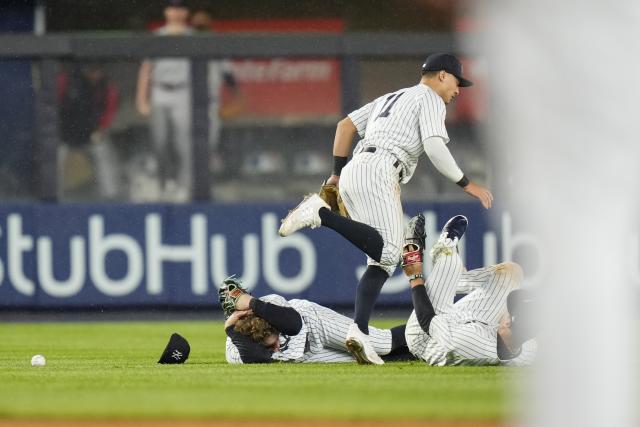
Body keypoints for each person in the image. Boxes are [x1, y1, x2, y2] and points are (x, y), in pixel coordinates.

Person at [278, 53, 494, 361]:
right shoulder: (430, 98)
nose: (458, 91)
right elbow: (434, 146)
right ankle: (320, 214)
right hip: (380, 168)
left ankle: (359, 332)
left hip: (358, 167)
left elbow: (344, 126)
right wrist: (467, 184)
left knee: (380, 260)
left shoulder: (391, 97)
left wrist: (338, 173)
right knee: (391, 252)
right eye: (458, 82)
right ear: (443, 76)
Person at [402, 213, 537, 366]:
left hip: (426, 334)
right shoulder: (526, 350)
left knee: (449, 263)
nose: (507, 308)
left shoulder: (471, 344)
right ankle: (456, 279)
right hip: (475, 324)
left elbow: (427, 320)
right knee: (512, 273)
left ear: (508, 323)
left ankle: (446, 253)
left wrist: (415, 276)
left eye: (510, 311)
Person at [220, 279, 413, 364]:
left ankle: (432, 329)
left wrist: (253, 303)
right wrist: (231, 330)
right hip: (306, 355)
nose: (276, 347)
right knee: (371, 360)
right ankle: (424, 351)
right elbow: (258, 357)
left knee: (382, 344)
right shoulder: (233, 349)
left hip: (314, 324)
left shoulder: (269, 303)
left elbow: (293, 325)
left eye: (240, 299)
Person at [135, 0, 194, 202]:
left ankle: (183, 187)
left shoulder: (191, 36)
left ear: (185, 12)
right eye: (173, 8)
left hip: (183, 91)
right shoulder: (158, 37)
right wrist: (142, 98)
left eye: (180, 8)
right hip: (160, 90)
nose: (176, 12)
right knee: (159, 142)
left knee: (183, 144)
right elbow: (146, 70)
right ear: (166, 11)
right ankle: (164, 184)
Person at [189, 8, 243, 174]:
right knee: (185, 146)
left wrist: (238, 98)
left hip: (210, 102)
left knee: (208, 144)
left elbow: (228, 75)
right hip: (186, 102)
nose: (200, 25)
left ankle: (203, 183)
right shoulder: (184, 41)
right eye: (197, 22)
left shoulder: (216, 44)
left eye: (203, 22)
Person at [58, 62, 120, 200]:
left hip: (92, 134)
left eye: (98, 71)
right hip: (65, 132)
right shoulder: (68, 80)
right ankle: (53, 197)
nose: (94, 75)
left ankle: (111, 196)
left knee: (104, 154)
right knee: (54, 156)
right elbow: (53, 104)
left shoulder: (106, 87)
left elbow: (110, 111)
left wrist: (101, 129)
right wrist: (56, 129)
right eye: (91, 70)